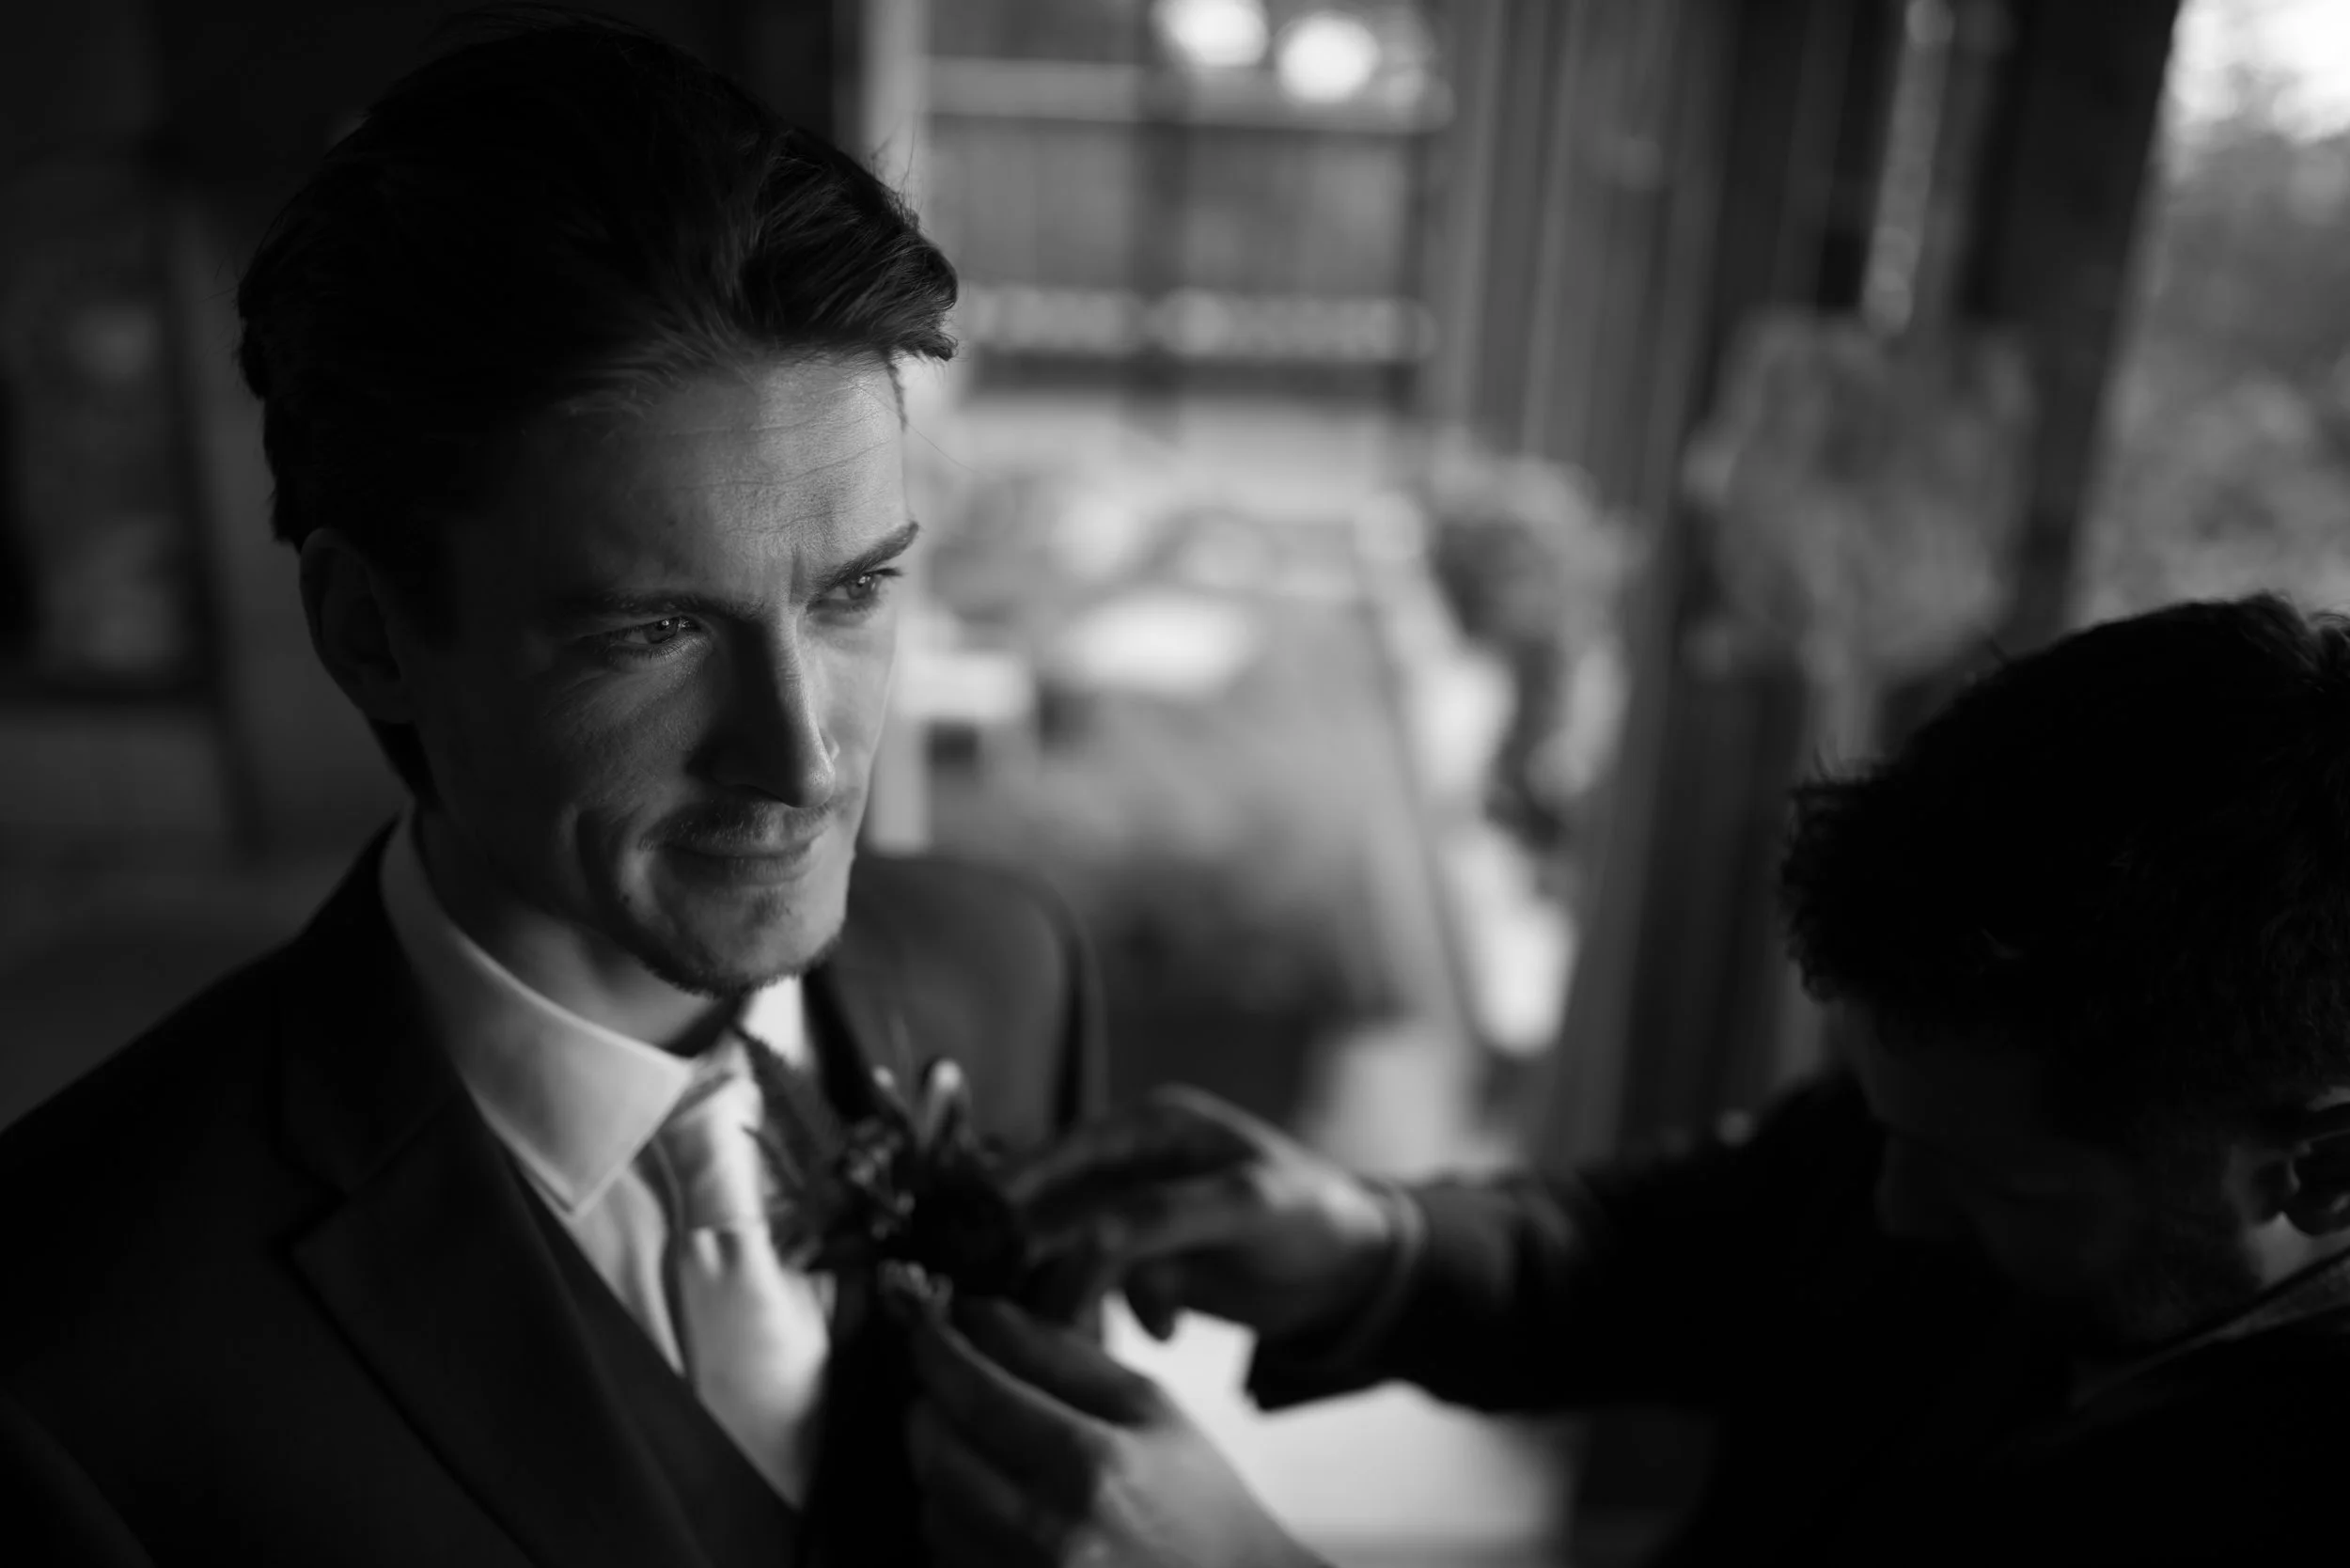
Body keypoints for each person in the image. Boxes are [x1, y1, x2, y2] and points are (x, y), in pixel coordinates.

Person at [0, 13, 1099, 1566]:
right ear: (371, 634)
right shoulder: (65, 1341)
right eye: (652, 635)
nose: (803, 758)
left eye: (854, 592)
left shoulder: (1014, 977)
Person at [899, 592, 2350, 1568]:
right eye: (1882, 1123)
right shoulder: (1959, 1125)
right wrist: (1363, 1246)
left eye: (1995, 1182)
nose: (1893, 1205)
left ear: (2320, 1168)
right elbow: (1656, 1250)